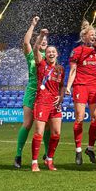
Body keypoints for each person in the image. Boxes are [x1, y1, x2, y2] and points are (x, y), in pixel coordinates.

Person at [65, 20, 96, 165]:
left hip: (93, 86)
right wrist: (68, 86)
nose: (94, 37)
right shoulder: (77, 51)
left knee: (95, 118)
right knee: (79, 117)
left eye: (95, 35)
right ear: (84, 36)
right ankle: (78, 150)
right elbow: (72, 70)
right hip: (80, 86)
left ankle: (90, 148)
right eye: (91, 35)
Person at [14, 16, 50, 169]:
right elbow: (26, 42)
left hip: (46, 94)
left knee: (47, 125)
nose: (44, 42)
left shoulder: (50, 57)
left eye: (46, 42)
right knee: (28, 124)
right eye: (41, 41)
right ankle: (18, 155)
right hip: (32, 91)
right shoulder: (31, 55)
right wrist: (33, 24)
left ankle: (48, 155)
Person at [30, 29, 63, 172]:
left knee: (56, 133)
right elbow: (36, 48)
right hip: (42, 102)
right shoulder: (41, 64)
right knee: (39, 133)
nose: (50, 53)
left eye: (53, 52)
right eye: (48, 52)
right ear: (46, 54)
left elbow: (62, 86)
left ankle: (49, 160)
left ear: (57, 54)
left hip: (55, 104)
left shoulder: (60, 69)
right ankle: (34, 162)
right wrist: (42, 36)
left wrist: (61, 97)